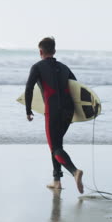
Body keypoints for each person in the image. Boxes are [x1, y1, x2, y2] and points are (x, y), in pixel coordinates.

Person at [25, 37, 84, 193]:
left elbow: (29, 88)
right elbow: (76, 88)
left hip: (52, 110)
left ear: (40, 52)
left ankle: (74, 171)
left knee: (55, 146)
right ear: (54, 51)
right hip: (68, 110)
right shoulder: (64, 68)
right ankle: (56, 180)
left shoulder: (37, 67)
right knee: (57, 144)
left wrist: (28, 110)